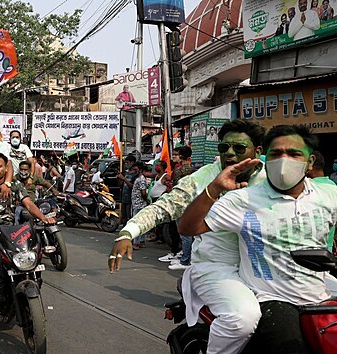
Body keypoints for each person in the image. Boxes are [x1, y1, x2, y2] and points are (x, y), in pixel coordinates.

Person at [109, 120, 267, 354]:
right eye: (224, 148)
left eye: (239, 148)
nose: (230, 154)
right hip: (216, 268)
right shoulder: (204, 178)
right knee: (242, 320)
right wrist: (127, 233)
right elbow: (164, 207)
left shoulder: (273, 180)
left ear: (258, 152)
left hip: (265, 269)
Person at [179, 124, 335, 353]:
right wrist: (213, 190)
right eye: (276, 153)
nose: (284, 160)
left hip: (319, 293)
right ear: (265, 157)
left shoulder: (328, 196)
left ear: (309, 163)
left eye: (294, 154)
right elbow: (188, 227)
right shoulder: (242, 199)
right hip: (273, 299)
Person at [0, 153, 54, 315]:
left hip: (10, 234)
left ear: (5, 168)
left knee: (33, 256)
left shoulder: (14, 186)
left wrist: (44, 218)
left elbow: (29, 204)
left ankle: (30, 286)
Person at [168, 146, 196, 270]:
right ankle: (188, 258)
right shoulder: (195, 171)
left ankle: (185, 260)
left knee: (184, 235)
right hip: (192, 203)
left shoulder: (179, 171)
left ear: (180, 156)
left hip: (180, 204)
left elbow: (175, 188)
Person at [130, 162, 149, 249]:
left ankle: (136, 243)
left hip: (139, 204)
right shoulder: (138, 178)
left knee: (136, 224)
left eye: (136, 170)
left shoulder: (141, 179)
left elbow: (143, 192)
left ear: (140, 170)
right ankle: (141, 241)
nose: (134, 171)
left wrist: (146, 200)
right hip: (138, 203)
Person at [117, 155, 136, 226]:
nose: (126, 165)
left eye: (127, 163)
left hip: (130, 199)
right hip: (123, 198)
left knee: (129, 216)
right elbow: (121, 185)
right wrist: (119, 178)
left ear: (132, 163)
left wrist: (124, 179)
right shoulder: (126, 173)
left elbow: (133, 186)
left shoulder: (135, 174)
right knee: (124, 217)